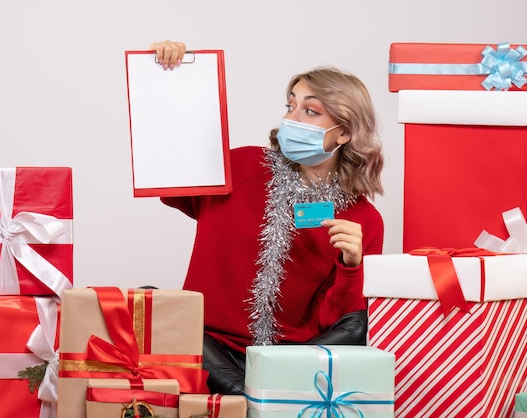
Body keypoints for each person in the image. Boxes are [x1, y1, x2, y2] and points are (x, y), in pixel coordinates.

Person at [149, 40, 385, 395]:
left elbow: (341, 325)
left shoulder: (364, 219)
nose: (291, 119)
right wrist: (177, 79)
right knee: (151, 305)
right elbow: (171, 183)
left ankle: (253, 396)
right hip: (203, 347)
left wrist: (352, 265)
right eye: (290, 106)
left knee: (361, 322)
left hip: (287, 361)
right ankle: (254, 398)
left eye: (310, 111)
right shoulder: (243, 166)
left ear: (345, 132)